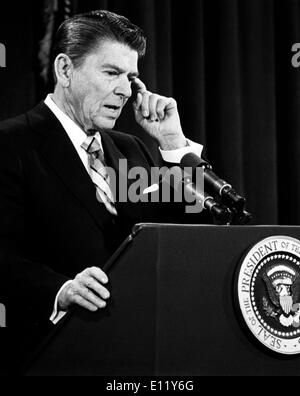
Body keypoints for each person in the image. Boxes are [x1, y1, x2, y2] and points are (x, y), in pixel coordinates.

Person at [0, 10, 206, 368]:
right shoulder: (10, 144)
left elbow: (191, 236)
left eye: (131, 78)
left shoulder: (130, 148)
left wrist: (174, 144)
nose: (126, 91)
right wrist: (61, 290)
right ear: (65, 70)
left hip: (138, 354)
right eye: (111, 73)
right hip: (50, 357)